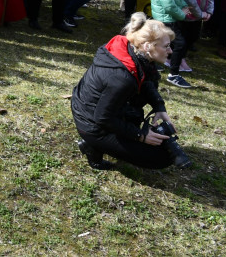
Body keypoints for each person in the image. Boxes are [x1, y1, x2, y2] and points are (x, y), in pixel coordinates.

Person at [71, 13, 190, 170]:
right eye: (166, 46)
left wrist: (158, 106)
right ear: (148, 46)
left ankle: (107, 141)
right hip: (92, 125)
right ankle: (92, 145)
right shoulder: (122, 78)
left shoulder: (131, 50)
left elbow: (146, 82)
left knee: (141, 115)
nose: (170, 51)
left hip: (91, 109)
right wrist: (140, 135)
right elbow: (102, 118)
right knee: (162, 158)